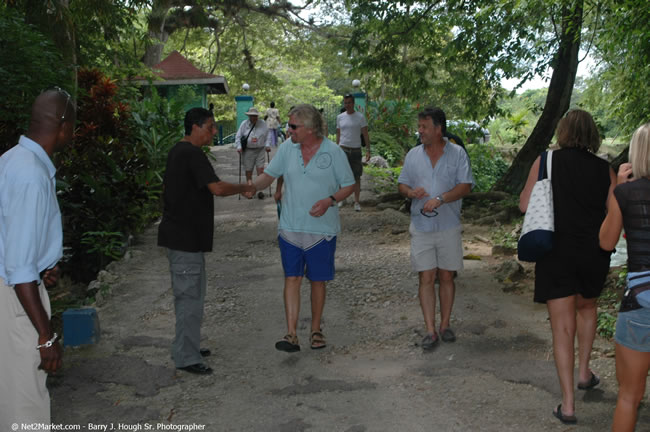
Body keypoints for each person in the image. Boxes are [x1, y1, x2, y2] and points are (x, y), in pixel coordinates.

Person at [519, 109, 615, 424]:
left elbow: (524, 204)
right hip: (593, 254)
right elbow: (614, 215)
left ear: (562, 132)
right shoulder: (606, 170)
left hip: (555, 252)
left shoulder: (546, 161)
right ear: (592, 135)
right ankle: (584, 372)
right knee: (587, 309)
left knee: (562, 328)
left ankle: (569, 406)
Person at [158, 107, 254, 375]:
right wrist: (245, 187)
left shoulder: (177, 151)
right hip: (184, 239)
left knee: (192, 296)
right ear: (196, 127)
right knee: (189, 298)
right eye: (210, 127)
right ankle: (186, 356)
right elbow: (218, 188)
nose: (214, 133)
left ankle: (187, 345)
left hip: (185, 237)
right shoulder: (191, 153)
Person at [252, 104, 355, 352]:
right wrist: (249, 187)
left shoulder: (333, 152)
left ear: (309, 129)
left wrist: (330, 200)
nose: (288, 130)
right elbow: (269, 175)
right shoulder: (287, 148)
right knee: (292, 277)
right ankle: (290, 334)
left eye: (293, 126)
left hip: (321, 230)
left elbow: (348, 185)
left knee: (318, 280)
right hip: (290, 227)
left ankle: (316, 330)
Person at [0, 88, 74, 427]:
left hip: (16, 287)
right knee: (25, 406)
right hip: (15, 296)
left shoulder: (12, 159)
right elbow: (18, 270)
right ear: (63, 125)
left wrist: (43, 263)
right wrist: (46, 336)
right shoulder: (30, 174)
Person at [397, 107, 473, 351]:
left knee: (447, 276)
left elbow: (465, 187)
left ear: (439, 129)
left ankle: (445, 325)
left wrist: (440, 199)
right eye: (419, 126)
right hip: (421, 226)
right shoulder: (413, 155)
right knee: (426, 277)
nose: (420, 131)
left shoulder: (458, 154)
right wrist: (410, 192)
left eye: (424, 127)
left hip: (448, 225)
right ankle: (430, 330)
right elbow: (402, 184)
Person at [599, 122, 650, 432]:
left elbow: (606, 242)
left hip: (640, 304)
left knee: (629, 396)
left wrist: (616, 187)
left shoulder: (625, 193)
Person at [336, 94, 370, 211]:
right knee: (342, 175)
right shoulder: (340, 117)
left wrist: (368, 150)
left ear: (353, 103)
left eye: (349, 103)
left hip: (356, 149)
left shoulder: (360, 117)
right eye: (345, 103)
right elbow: (338, 134)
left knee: (356, 177)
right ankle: (341, 199)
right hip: (343, 149)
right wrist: (336, 148)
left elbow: (365, 134)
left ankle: (356, 202)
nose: (347, 105)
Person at [236, 107, 271, 198]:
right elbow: (238, 136)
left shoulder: (263, 124)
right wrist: (239, 147)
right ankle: (249, 189)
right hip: (248, 150)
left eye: (255, 116)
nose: (253, 118)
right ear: (249, 116)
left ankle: (259, 190)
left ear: (257, 116)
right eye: (251, 116)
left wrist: (267, 145)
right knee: (249, 170)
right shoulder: (244, 124)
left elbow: (268, 136)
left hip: (260, 149)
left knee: (260, 170)